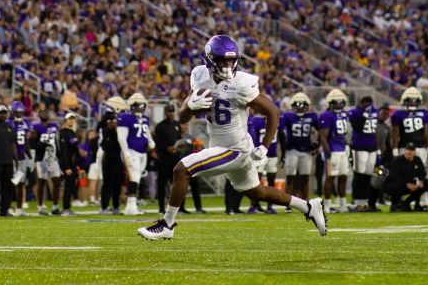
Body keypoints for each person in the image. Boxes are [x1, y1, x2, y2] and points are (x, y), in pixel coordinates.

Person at [137, 35, 328, 240]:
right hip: (222, 146)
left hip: (235, 149)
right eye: (222, 60)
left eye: (231, 60)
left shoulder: (242, 83)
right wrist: (189, 106)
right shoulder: (200, 76)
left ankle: (167, 224)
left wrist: (264, 147)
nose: (228, 65)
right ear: (210, 60)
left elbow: (273, 112)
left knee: (182, 169)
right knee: (257, 193)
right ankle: (309, 206)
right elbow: (183, 118)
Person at [390, 87, 428, 206]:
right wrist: (395, 151)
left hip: (420, 148)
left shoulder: (424, 113)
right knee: (402, 175)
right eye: (410, 100)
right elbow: (395, 134)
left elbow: (425, 133)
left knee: (421, 174)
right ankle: (399, 201)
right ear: (405, 101)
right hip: (405, 148)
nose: (412, 102)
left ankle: (422, 201)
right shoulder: (398, 114)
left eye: (415, 100)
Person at [117, 93, 155, 215]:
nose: (141, 107)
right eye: (138, 104)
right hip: (132, 152)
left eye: (142, 104)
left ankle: (130, 206)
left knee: (138, 178)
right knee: (134, 178)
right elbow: (121, 138)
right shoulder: (125, 118)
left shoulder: (144, 118)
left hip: (143, 152)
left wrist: (150, 141)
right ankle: (131, 206)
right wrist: (126, 153)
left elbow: (146, 131)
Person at [280, 92, 319, 206]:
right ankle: (288, 203)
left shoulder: (312, 116)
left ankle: (305, 202)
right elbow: (281, 132)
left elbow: (322, 131)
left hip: (306, 151)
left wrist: (317, 143)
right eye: (298, 105)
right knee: (290, 177)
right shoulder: (287, 116)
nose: (300, 107)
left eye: (302, 105)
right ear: (293, 105)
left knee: (305, 177)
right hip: (291, 150)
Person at [345, 94, 381, 211]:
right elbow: (358, 127)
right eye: (366, 104)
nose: (368, 107)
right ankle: (356, 202)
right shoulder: (354, 112)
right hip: (359, 147)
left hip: (372, 147)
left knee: (369, 174)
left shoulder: (375, 111)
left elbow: (376, 129)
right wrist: (365, 114)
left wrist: (378, 149)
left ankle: (365, 201)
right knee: (359, 174)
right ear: (361, 104)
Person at [318, 89, 352, 213]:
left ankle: (342, 204)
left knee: (343, 177)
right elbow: (322, 136)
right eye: (335, 102)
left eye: (340, 102)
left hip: (343, 149)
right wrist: (327, 151)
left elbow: (344, 133)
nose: (338, 104)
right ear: (330, 103)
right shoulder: (326, 115)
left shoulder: (344, 114)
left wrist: (346, 145)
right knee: (330, 177)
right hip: (332, 150)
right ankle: (327, 205)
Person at [96, 99, 126, 214]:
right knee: (107, 184)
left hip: (117, 159)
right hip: (108, 159)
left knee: (117, 184)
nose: (114, 123)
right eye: (112, 121)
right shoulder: (104, 131)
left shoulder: (119, 132)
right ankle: (104, 207)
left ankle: (116, 207)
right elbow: (104, 144)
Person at [246, 110, 279, 214]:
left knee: (271, 181)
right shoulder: (256, 120)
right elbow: (252, 137)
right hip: (259, 155)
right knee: (256, 181)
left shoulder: (278, 119)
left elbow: (282, 136)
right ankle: (254, 205)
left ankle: (270, 205)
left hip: (272, 154)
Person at [31, 107, 62, 215]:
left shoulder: (54, 126)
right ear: (39, 115)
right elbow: (32, 144)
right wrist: (41, 145)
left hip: (52, 158)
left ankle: (55, 206)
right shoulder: (35, 127)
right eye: (42, 112)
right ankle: (40, 207)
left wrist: (60, 156)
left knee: (57, 182)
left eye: (46, 112)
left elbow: (57, 142)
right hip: (41, 157)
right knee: (41, 182)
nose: (45, 114)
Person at [385, 145, 426, 211]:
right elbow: (394, 176)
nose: (410, 152)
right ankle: (395, 204)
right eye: (408, 150)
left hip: (409, 184)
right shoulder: (397, 160)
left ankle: (407, 203)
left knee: (424, 185)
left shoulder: (417, 160)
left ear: (415, 152)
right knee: (395, 185)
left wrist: (421, 181)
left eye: (412, 150)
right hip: (393, 184)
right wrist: (407, 184)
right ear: (404, 151)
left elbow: (422, 172)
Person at [8, 101, 31, 216]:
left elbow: (26, 142)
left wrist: (30, 158)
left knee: (21, 183)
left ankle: (19, 208)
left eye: (20, 111)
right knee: (11, 183)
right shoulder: (8, 123)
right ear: (12, 111)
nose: (19, 113)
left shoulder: (25, 123)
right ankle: (7, 206)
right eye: (17, 111)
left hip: (22, 157)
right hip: (11, 158)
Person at [57, 111, 82, 215]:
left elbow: (75, 150)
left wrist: (77, 165)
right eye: (69, 119)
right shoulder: (63, 133)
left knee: (72, 186)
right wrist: (66, 166)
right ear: (66, 120)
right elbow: (64, 151)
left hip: (73, 163)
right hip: (67, 163)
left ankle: (68, 207)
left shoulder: (72, 133)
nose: (71, 121)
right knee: (68, 186)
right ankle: (66, 208)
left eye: (73, 119)